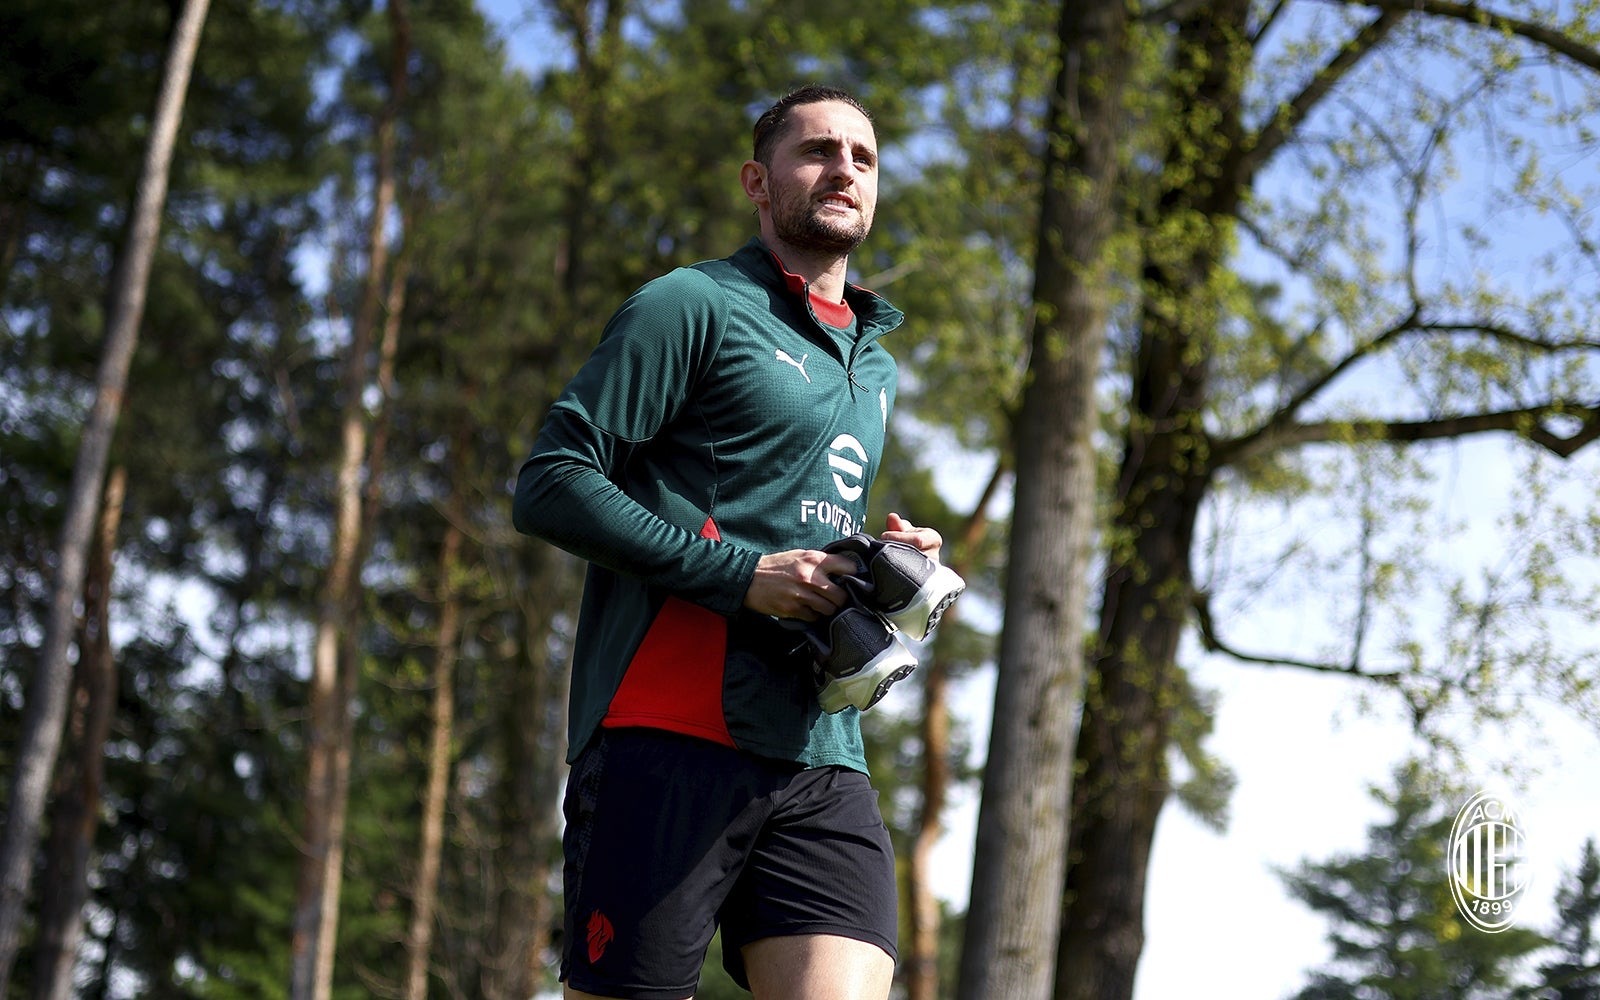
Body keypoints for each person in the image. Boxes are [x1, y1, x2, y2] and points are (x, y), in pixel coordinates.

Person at [513, 84, 953, 1000]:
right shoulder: (691, 303)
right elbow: (552, 481)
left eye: (863, 158)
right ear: (758, 181)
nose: (844, 170)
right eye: (818, 151)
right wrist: (741, 575)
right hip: (664, 730)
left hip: (820, 749)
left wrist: (882, 556)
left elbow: (789, 512)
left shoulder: (876, 363)